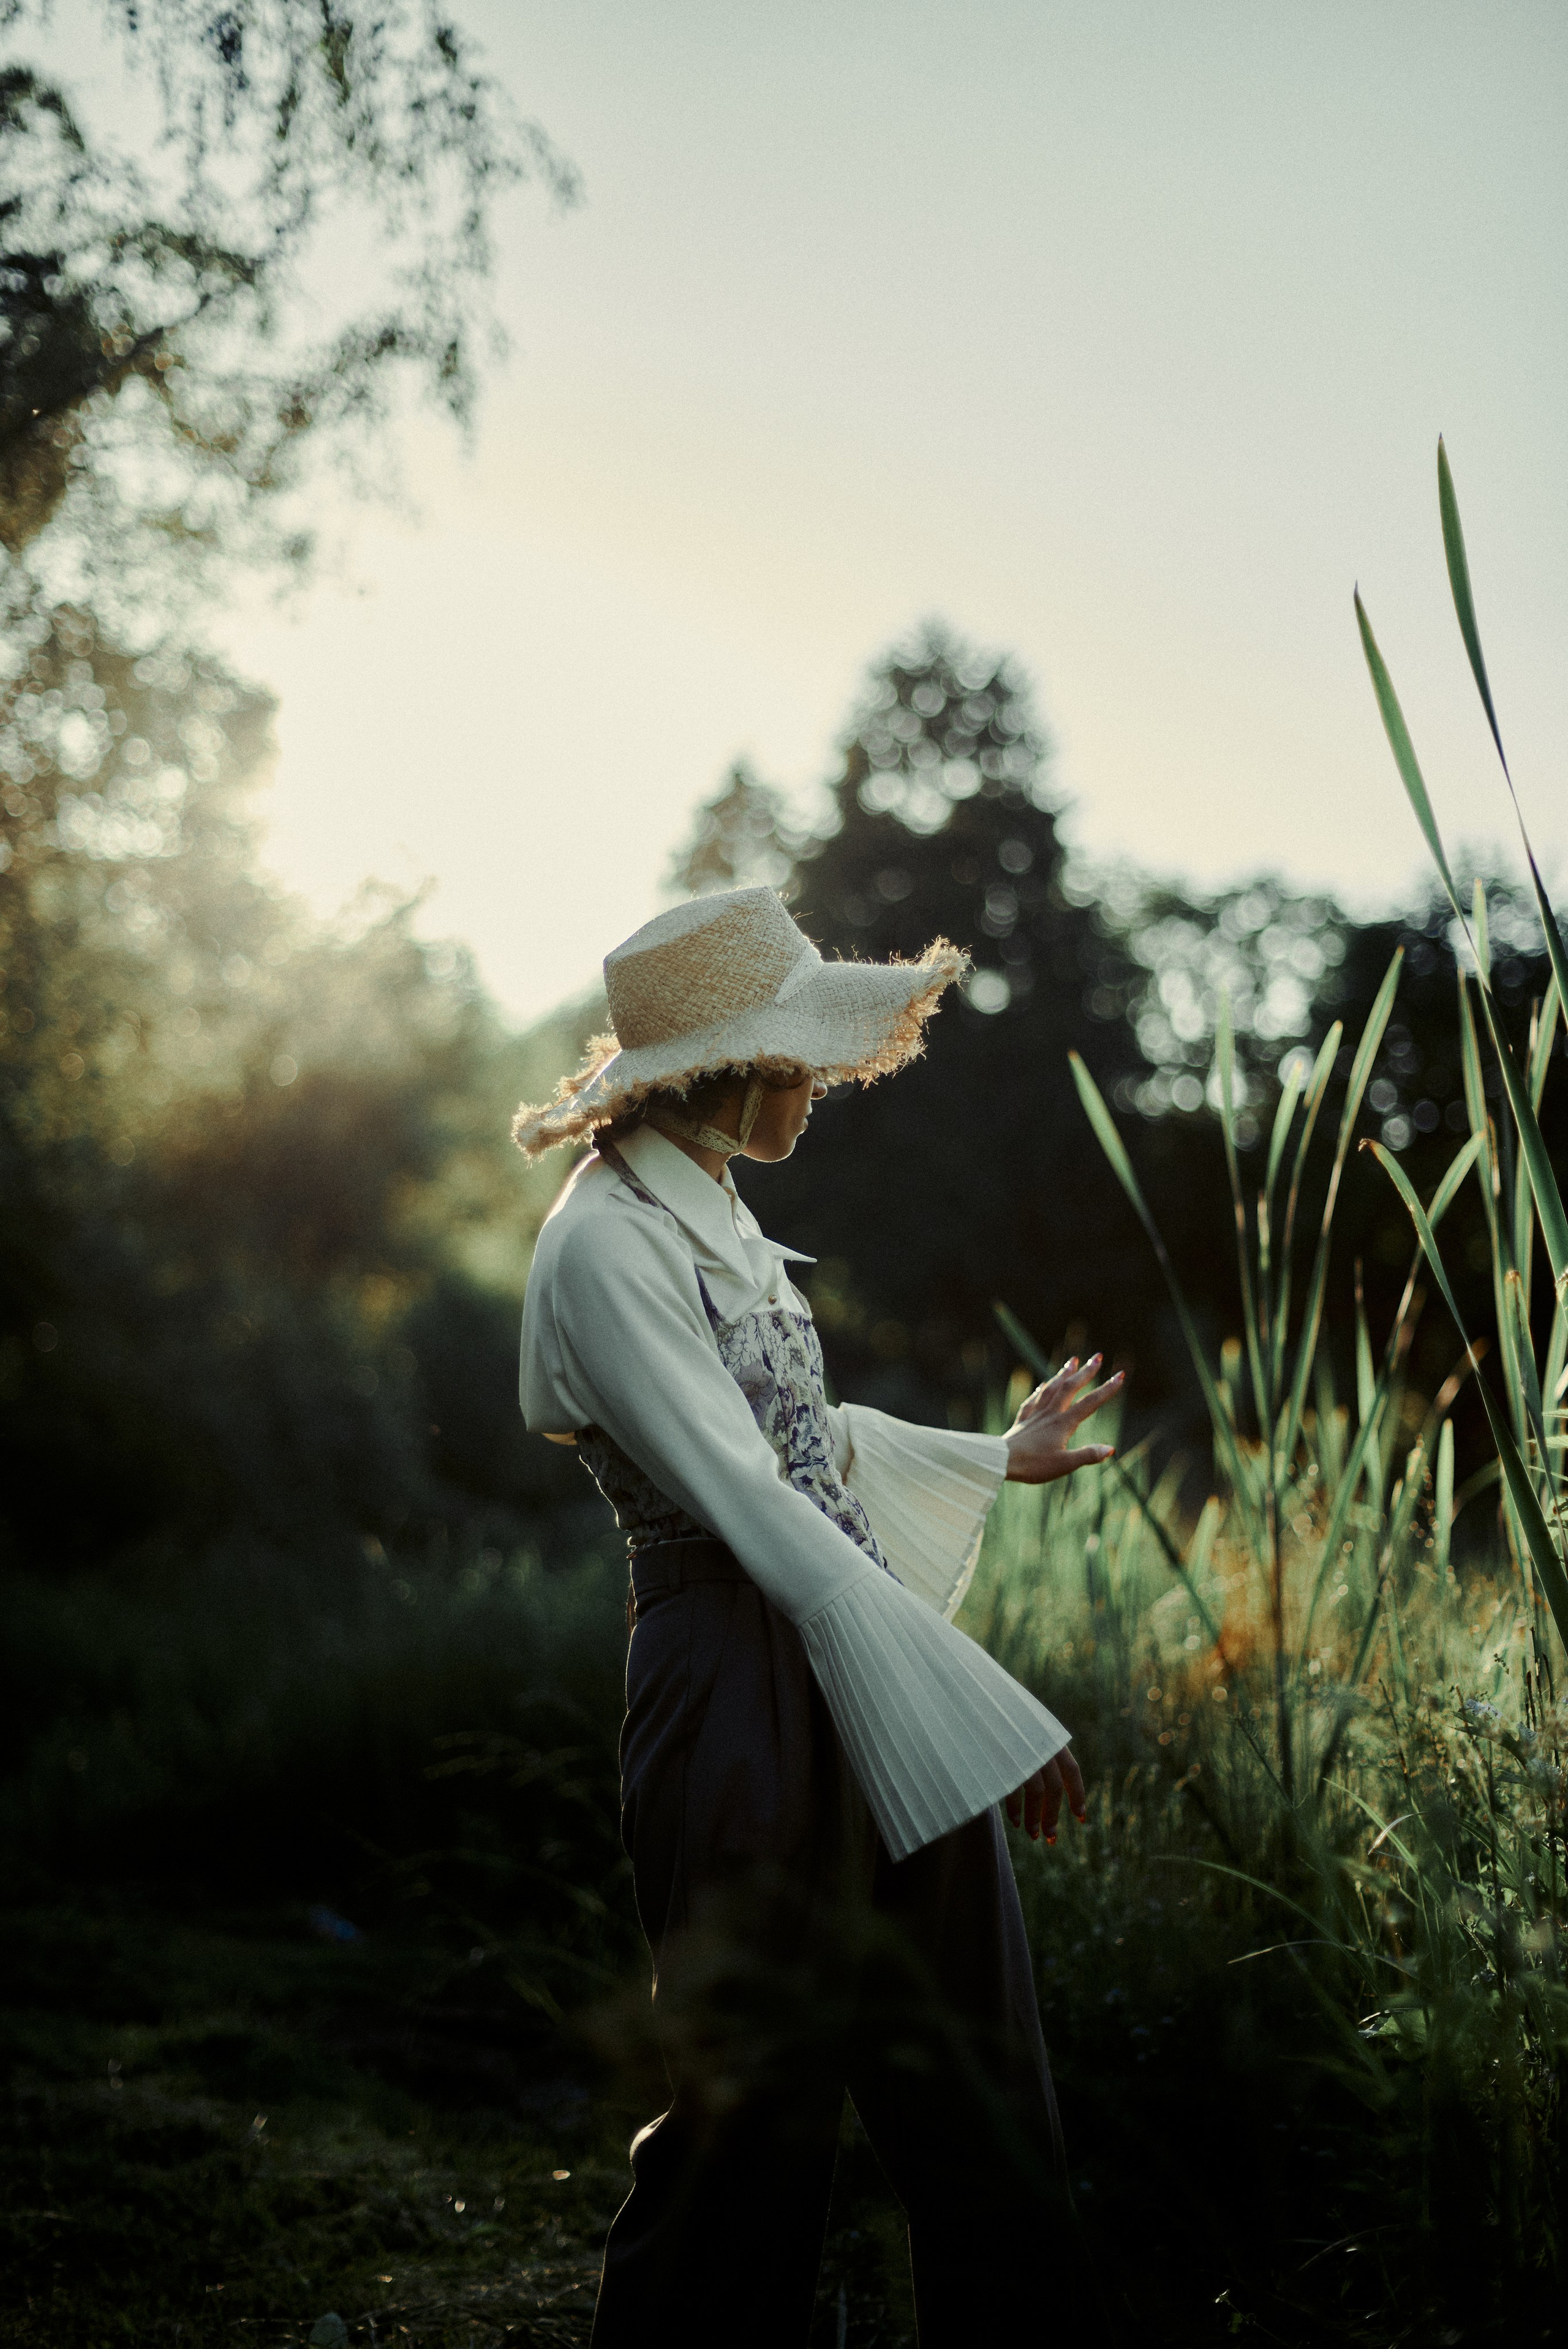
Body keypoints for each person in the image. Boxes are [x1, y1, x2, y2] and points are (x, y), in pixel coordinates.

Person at [514, 886, 1121, 2347]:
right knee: (750, 2129)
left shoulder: (713, 1199)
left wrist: (996, 1454)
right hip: (733, 1679)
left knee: (981, 2079)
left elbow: (801, 1434)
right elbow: (745, 1496)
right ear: (711, 1068)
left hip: (848, 1646)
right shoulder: (602, 1244)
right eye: (794, 1056)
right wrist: (967, 1696)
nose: (816, 1083)